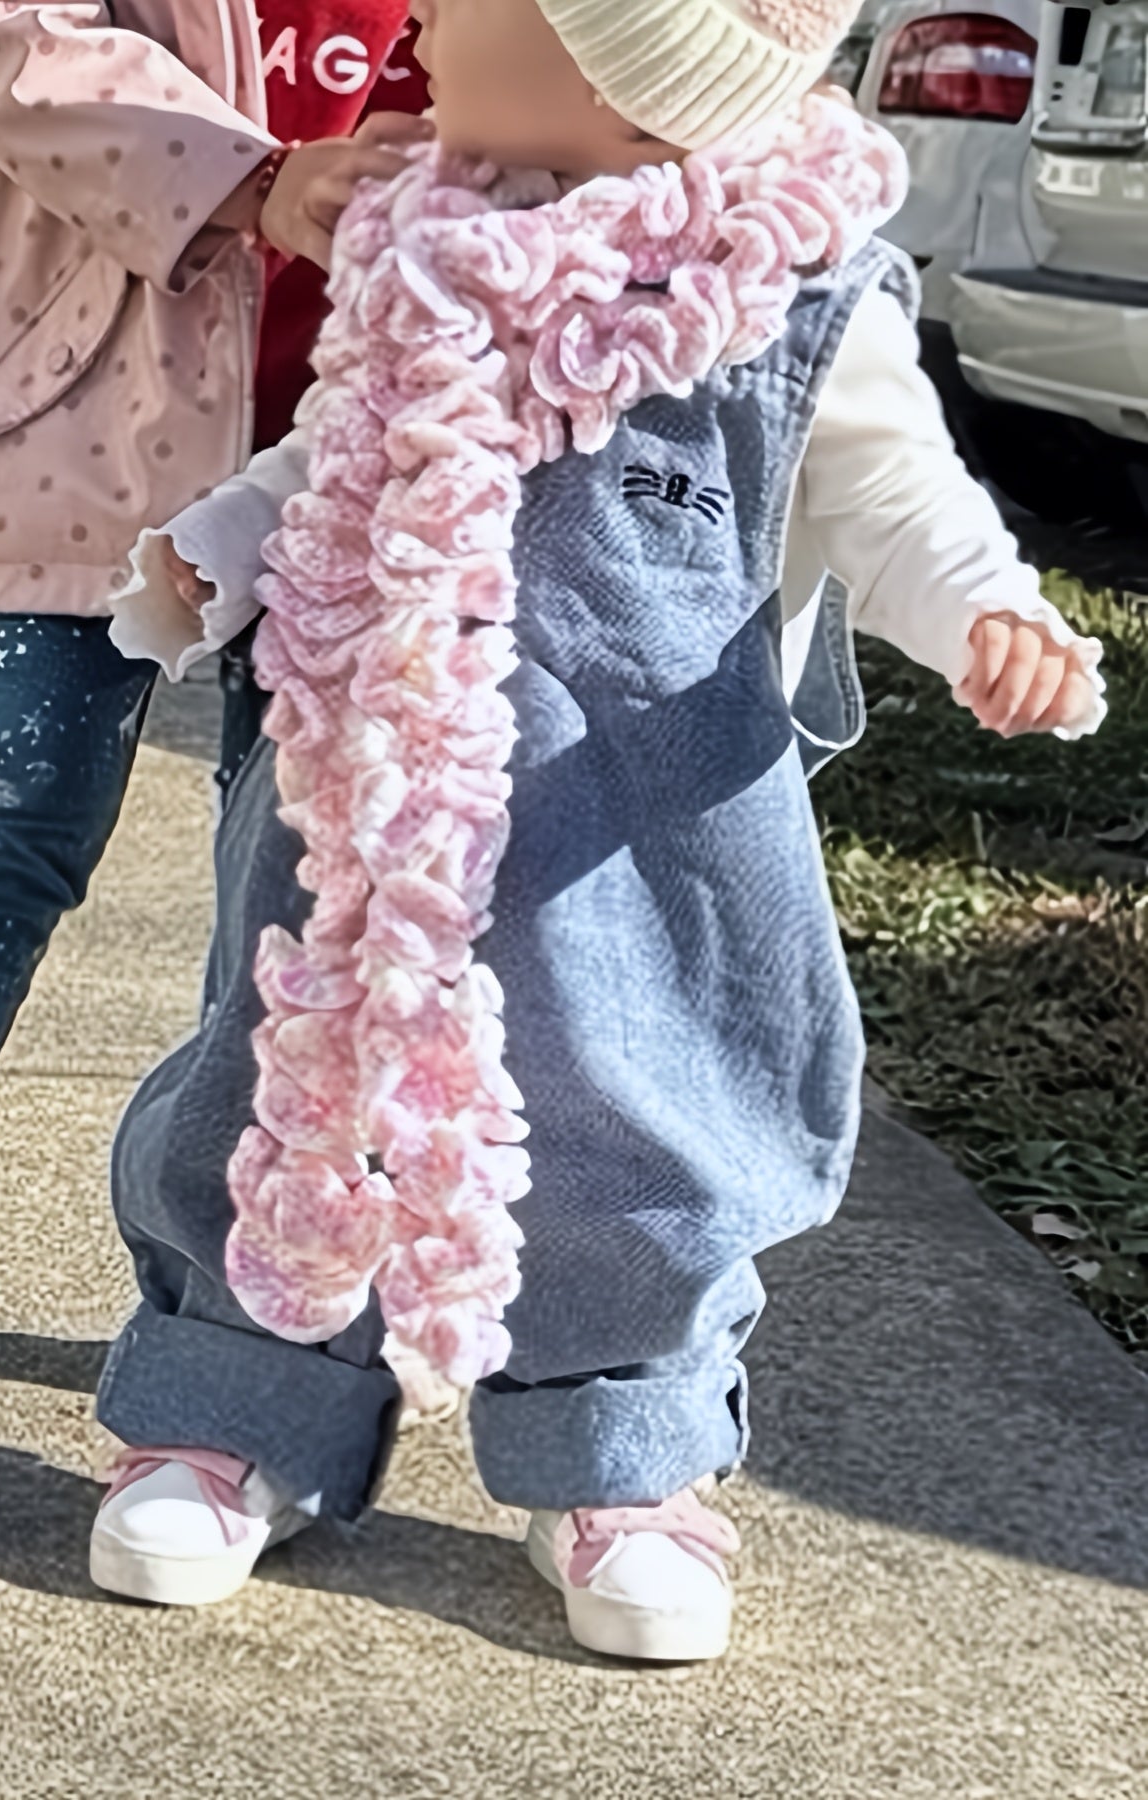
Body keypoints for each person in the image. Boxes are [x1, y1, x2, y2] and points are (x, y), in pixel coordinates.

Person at [100, 0, 1101, 1651]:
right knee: (282, 1077)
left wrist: (983, 608)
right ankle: (237, 1401)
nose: (424, 16)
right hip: (367, 817)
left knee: (647, 1124)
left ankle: (620, 1453)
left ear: (635, 82)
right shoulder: (417, 245)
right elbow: (332, 456)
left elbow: (893, 495)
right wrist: (221, 547)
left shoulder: (786, 290)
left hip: (635, 849)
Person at [0, 1, 433, 1571]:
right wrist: (254, 175)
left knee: (293, 891)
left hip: (367, 447)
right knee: (6, 835)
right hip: (93, 417)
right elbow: (0, 35)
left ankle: (240, 1359)